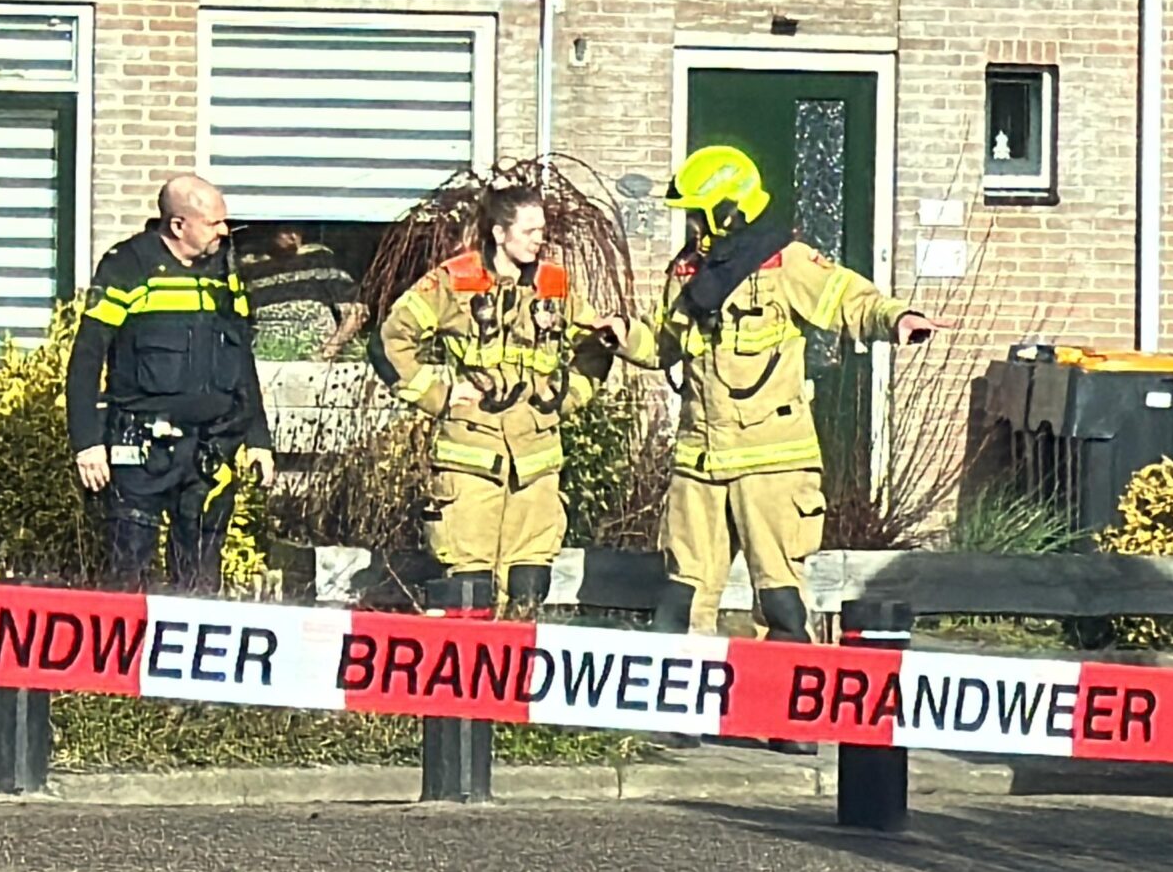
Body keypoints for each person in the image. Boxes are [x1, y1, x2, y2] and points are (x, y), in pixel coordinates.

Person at [613, 144, 944, 643]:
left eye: (697, 217)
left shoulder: (784, 263)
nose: (691, 230)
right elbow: (665, 344)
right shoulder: (686, 275)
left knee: (780, 600)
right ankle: (683, 716)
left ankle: (780, 717)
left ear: (726, 212)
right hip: (699, 465)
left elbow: (849, 298)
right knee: (681, 601)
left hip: (770, 463)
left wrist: (896, 319)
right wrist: (621, 337)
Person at [375, 183, 617, 615]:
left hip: (536, 462)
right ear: (499, 233)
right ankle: (468, 679)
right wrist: (440, 394)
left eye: (542, 230)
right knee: (470, 589)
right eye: (529, 231)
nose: (539, 240)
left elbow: (596, 345)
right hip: (471, 459)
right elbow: (390, 341)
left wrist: (568, 397)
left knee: (529, 583)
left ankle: (516, 679)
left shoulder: (555, 285)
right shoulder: (455, 281)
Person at [67, 175, 279, 593]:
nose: (225, 230)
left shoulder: (224, 271)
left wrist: (258, 438)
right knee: (129, 573)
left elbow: (240, 359)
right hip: (141, 450)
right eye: (214, 222)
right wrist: (87, 442)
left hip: (210, 449)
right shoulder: (128, 266)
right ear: (179, 225)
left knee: (201, 578)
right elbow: (87, 357)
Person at [239, 225, 369, 362]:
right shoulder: (250, 266)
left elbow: (356, 312)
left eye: (297, 229)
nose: (293, 237)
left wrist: (330, 350)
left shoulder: (319, 260)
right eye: (286, 229)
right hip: (263, 360)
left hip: (314, 360)